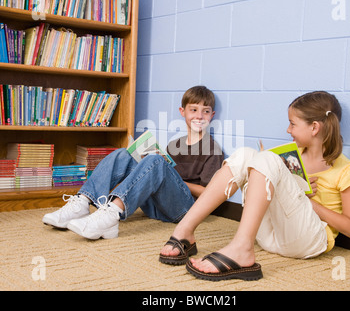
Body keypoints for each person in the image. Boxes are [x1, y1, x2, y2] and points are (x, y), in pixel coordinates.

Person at [159, 91, 350, 281]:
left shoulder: (345, 168)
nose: (288, 130)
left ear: (315, 127)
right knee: (247, 154)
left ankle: (241, 248)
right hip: (269, 237)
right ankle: (185, 230)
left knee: (268, 159)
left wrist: (307, 201)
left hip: (308, 241)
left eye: (292, 124)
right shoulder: (292, 155)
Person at [42, 85, 225, 240]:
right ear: (182, 112)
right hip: (156, 205)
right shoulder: (174, 144)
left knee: (156, 162)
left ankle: (112, 214)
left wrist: (168, 175)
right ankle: (83, 202)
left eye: (206, 111)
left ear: (212, 115)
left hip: (185, 210)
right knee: (124, 153)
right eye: (194, 110)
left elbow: (209, 194)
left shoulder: (212, 149)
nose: (199, 116)